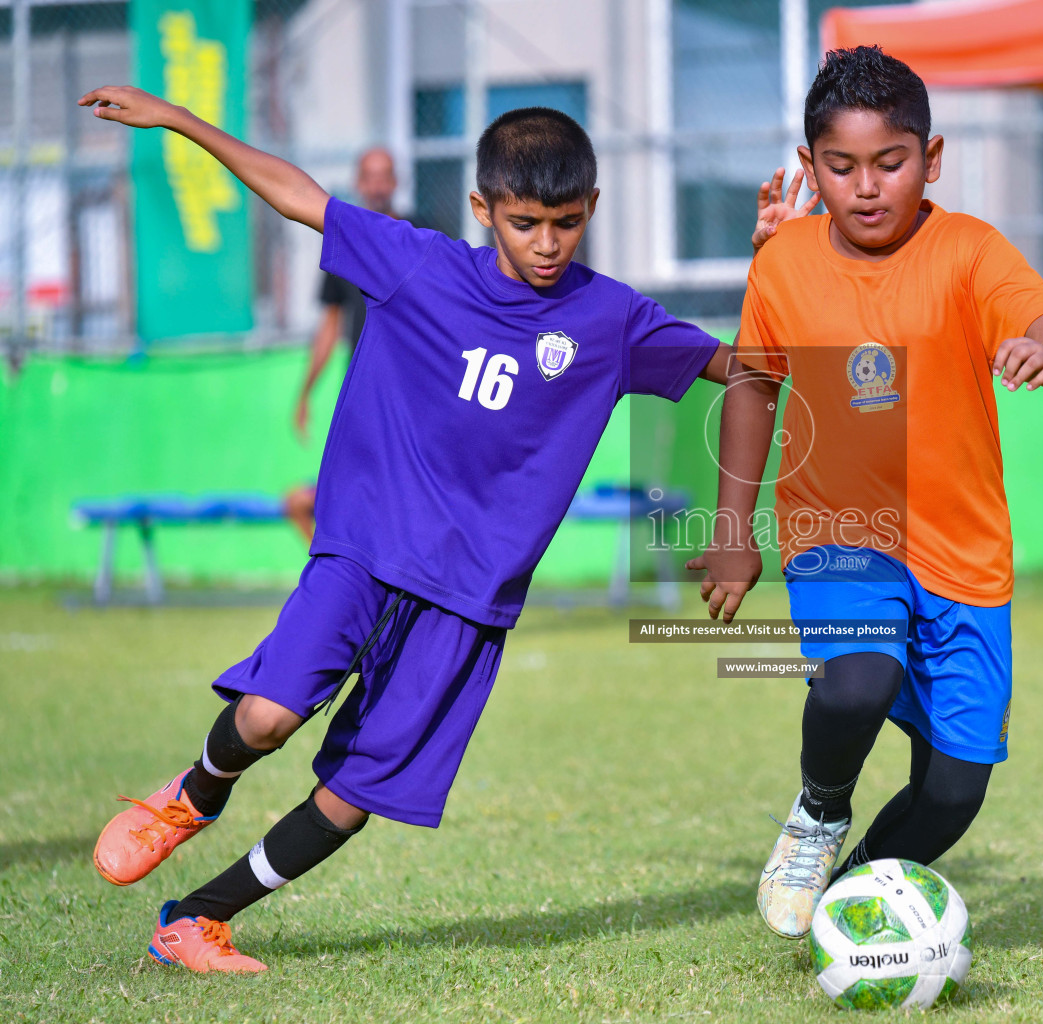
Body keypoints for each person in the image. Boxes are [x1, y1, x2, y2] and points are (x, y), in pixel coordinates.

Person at [80, 84, 730, 972]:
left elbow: (739, 364)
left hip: (469, 596)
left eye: (567, 223)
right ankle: (193, 795)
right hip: (367, 549)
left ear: (592, 210)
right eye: (527, 222)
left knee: (355, 793)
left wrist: (775, 259)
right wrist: (185, 123)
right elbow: (298, 194)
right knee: (267, 719)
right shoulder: (416, 264)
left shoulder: (610, 319)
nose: (547, 244)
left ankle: (195, 918)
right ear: (483, 208)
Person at [687, 45, 1043, 940]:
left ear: (933, 159)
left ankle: (856, 896)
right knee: (854, 684)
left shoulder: (969, 251)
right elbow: (754, 385)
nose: (867, 186)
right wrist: (734, 528)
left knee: (953, 791)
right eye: (840, 167)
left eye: (891, 162)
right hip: (838, 531)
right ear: (810, 169)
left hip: (963, 556)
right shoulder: (784, 262)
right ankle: (819, 812)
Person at [286, 148, 400, 540]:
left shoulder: (422, 238)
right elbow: (330, 326)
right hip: (364, 393)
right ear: (360, 184)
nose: (379, 185)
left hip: (411, 391)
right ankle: (340, 584)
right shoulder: (347, 245)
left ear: (396, 182)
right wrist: (305, 392)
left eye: (386, 175)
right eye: (371, 176)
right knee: (316, 502)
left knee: (395, 499)